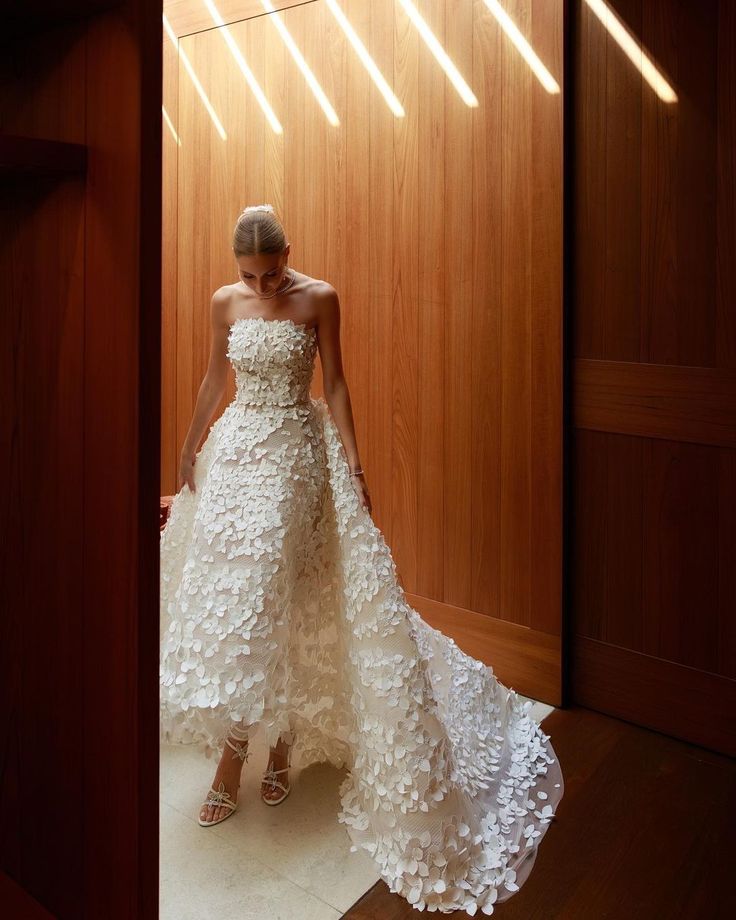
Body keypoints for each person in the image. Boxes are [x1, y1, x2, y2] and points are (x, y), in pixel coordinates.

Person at [160, 204, 564, 915]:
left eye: (273, 270)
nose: (264, 282)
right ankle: (253, 741)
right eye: (252, 274)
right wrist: (191, 444)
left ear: (289, 254)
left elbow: (337, 383)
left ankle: (258, 750)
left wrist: (355, 461)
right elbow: (212, 379)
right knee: (235, 605)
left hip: (294, 462)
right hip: (237, 455)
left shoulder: (319, 297)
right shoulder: (225, 302)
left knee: (276, 596)